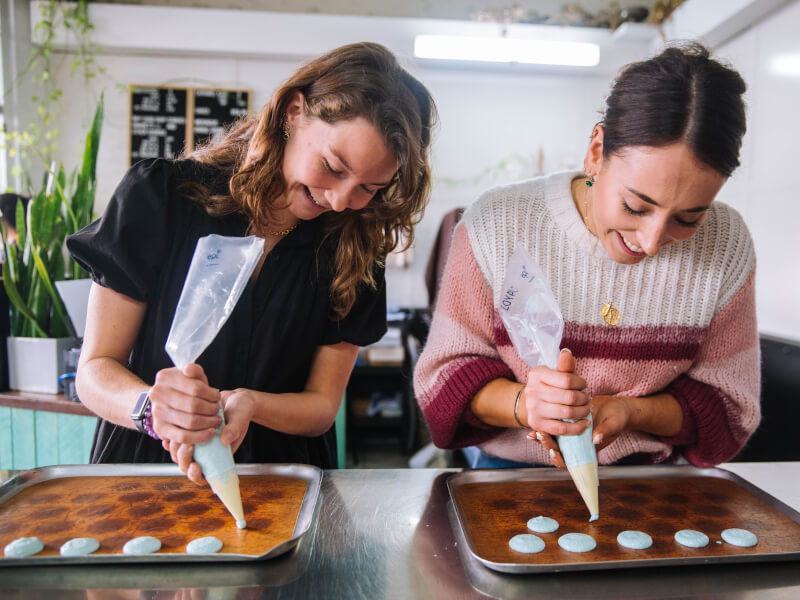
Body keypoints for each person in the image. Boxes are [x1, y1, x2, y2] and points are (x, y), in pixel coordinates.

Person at [67, 42, 436, 483]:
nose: (341, 201)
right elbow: (94, 371)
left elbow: (321, 406)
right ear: (293, 112)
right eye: (333, 166)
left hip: (281, 481)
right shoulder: (164, 198)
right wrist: (151, 408)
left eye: (370, 188)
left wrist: (252, 404)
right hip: (146, 471)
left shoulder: (354, 252)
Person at [414, 42, 759, 469]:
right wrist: (526, 404)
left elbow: (729, 407)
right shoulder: (496, 225)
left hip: (651, 480)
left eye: (688, 219)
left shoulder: (725, 244)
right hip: (511, 476)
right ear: (596, 152)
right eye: (635, 207)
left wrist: (631, 412)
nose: (651, 242)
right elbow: (443, 383)